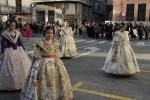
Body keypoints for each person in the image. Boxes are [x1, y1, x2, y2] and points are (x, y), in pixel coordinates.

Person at [20, 26, 73, 100]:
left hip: (54, 64)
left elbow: (57, 55)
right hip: (42, 64)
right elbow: (35, 55)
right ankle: (42, 96)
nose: (50, 34)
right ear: (44, 33)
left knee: (55, 80)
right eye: (48, 33)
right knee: (42, 81)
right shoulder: (40, 43)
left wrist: (59, 65)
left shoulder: (56, 43)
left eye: (51, 33)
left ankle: (56, 95)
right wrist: (32, 64)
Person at [0, 19, 31, 90]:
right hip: (9, 51)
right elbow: (3, 45)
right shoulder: (5, 34)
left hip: (18, 50)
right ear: (8, 25)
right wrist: (2, 52)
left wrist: (23, 48)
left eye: (14, 25)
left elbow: (20, 41)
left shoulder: (17, 32)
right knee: (10, 67)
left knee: (22, 65)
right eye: (11, 26)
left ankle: (22, 83)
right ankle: (11, 84)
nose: (13, 27)